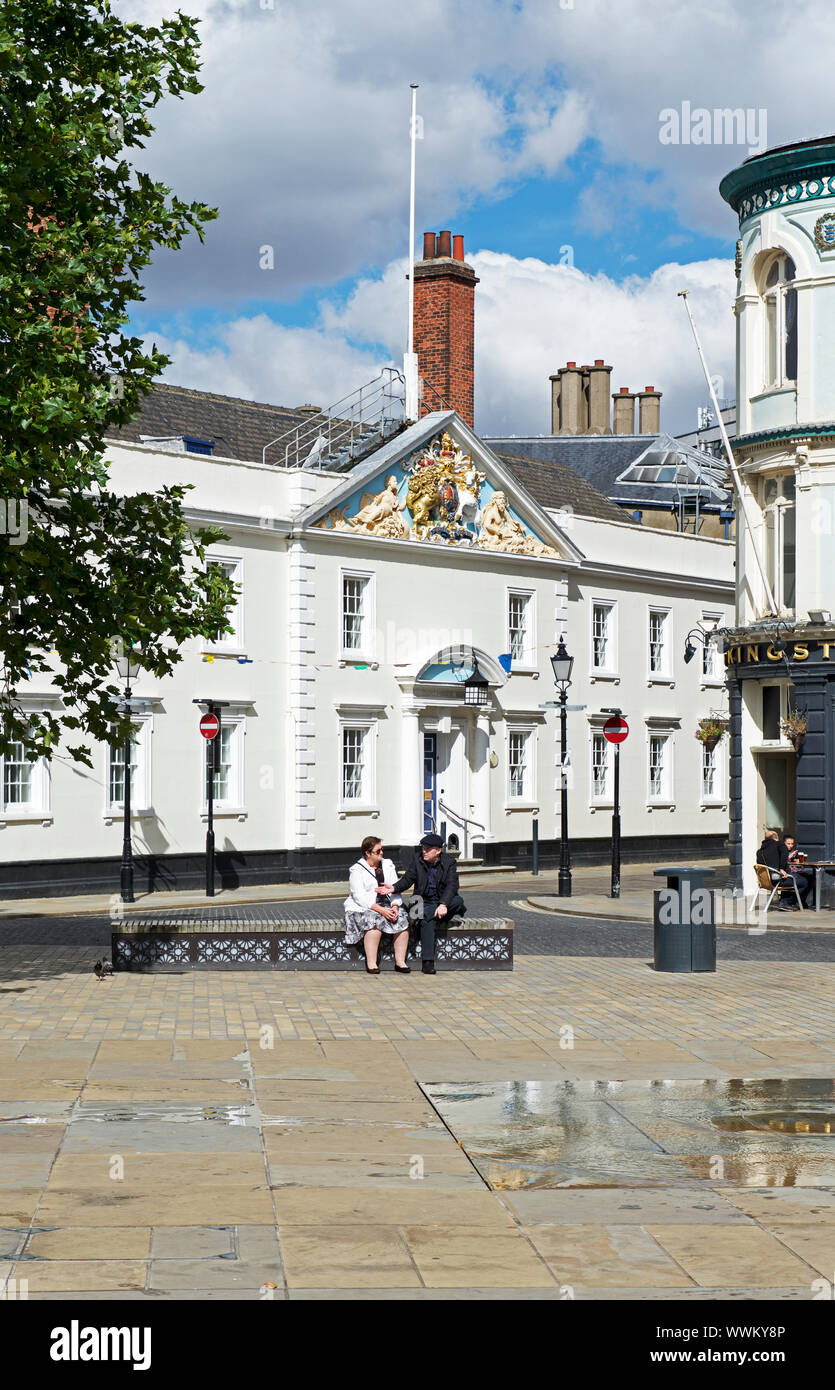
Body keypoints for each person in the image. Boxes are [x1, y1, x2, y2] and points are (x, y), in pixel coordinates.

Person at [388, 832, 467, 975]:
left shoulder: (449, 862)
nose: (423, 851)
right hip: (423, 902)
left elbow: (452, 886)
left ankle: (422, 917)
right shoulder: (417, 859)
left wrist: (443, 904)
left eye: (427, 849)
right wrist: (394, 887)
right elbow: (407, 879)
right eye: (423, 848)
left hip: (441, 903)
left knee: (457, 901)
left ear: (437, 850)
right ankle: (428, 963)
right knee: (427, 918)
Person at [344, 836, 410, 973]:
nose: (381, 853)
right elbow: (359, 896)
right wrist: (381, 910)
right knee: (373, 919)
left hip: (387, 904)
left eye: (382, 849)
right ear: (367, 853)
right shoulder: (356, 870)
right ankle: (372, 963)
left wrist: (395, 907)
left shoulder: (388, 864)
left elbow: (394, 888)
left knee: (402, 917)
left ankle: (400, 962)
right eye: (377, 850)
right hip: (365, 906)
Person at [756, 827, 798, 911]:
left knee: (790, 878)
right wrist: (782, 868)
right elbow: (785, 853)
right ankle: (786, 903)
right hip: (777, 880)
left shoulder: (759, 852)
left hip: (765, 882)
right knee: (804, 881)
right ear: (775, 838)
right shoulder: (779, 844)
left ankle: (786, 902)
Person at [783, 834, 814, 909]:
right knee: (804, 882)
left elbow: (796, 862)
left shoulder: (795, 852)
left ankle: (801, 900)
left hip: (797, 872)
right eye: (788, 844)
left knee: (811, 878)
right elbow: (781, 862)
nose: (790, 845)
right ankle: (788, 901)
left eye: (792, 844)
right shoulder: (781, 852)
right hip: (786, 874)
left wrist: (798, 860)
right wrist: (789, 857)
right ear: (783, 843)